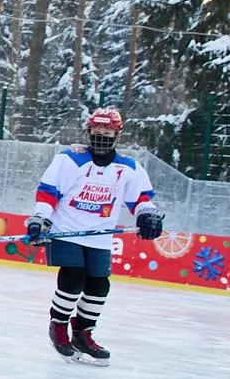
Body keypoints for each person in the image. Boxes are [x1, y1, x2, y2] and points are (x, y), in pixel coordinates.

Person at [28, 108, 163, 365]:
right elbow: (48, 191)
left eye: (108, 132)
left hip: (99, 236)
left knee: (100, 285)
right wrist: (40, 217)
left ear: (117, 134)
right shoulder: (71, 160)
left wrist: (148, 215)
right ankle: (58, 326)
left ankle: (83, 332)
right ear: (88, 132)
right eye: (97, 131)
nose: (101, 136)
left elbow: (142, 199)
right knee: (73, 279)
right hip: (67, 230)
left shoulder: (128, 167)